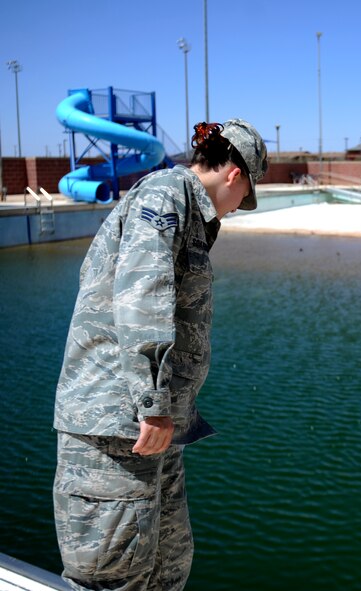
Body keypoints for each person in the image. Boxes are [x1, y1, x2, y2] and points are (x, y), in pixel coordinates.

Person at [53, 119, 267, 591]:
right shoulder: (166, 196)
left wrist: (164, 410)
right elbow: (141, 294)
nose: (236, 209)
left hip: (154, 429)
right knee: (113, 574)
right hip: (118, 425)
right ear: (235, 174)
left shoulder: (187, 208)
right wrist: (151, 402)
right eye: (246, 196)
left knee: (167, 566)